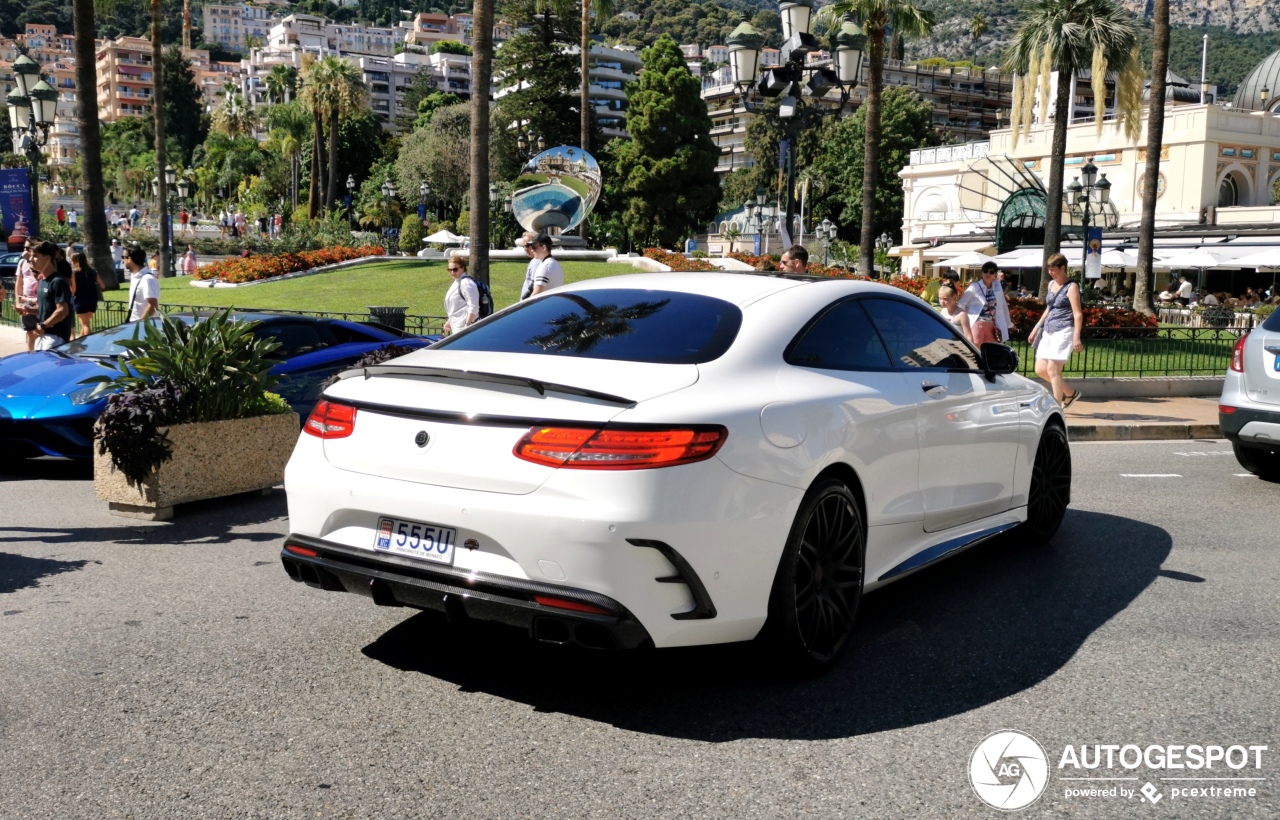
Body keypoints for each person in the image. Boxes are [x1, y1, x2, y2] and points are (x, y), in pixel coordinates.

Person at [1028, 253, 1084, 407]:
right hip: (1048, 330)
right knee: (1040, 369)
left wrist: (1076, 337)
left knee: (1053, 369)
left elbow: (1077, 314)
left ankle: (1056, 407)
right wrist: (1036, 327)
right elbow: (1049, 308)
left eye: (1054, 269)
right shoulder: (1051, 284)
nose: (1051, 272)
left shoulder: (1071, 287)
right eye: (1049, 269)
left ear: (1063, 268)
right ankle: (1070, 393)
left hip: (1064, 329)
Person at [30, 241, 74, 350]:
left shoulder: (58, 281)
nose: (31, 260)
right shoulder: (42, 281)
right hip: (42, 335)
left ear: (47, 258)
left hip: (55, 337)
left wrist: (44, 325)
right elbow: (47, 309)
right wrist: (29, 310)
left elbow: (62, 311)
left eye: (35, 256)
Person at [958, 261, 1012, 346]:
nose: (988, 274)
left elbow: (1003, 306)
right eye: (985, 271)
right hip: (977, 323)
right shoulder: (974, 287)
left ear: (995, 274)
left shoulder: (997, 287)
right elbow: (961, 304)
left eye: (991, 272)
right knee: (976, 350)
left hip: (992, 325)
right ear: (982, 273)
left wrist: (1009, 324)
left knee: (991, 351)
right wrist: (964, 319)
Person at [69, 251, 103, 339]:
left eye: (72, 261)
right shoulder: (92, 271)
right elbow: (103, 285)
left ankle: (90, 343)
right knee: (85, 323)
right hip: (92, 300)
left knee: (85, 325)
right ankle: (81, 343)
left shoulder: (74, 273)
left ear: (76, 261)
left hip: (80, 300)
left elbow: (74, 290)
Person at [442, 256, 480, 335]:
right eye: (450, 270)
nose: (452, 272)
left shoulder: (466, 283)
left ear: (462, 268)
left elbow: (474, 307)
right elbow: (458, 308)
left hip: (464, 329)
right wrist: (449, 321)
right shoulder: (457, 282)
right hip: (457, 326)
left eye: (455, 269)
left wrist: (467, 325)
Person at [14, 238, 40, 351]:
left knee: (41, 330)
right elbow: (19, 283)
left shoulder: (41, 262)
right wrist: (18, 301)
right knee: (30, 331)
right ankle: (31, 353)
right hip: (26, 300)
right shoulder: (22, 262)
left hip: (39, 300)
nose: (24, 250)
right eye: (24, 247)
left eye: (27, 248)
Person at [521, 233, 564, 299]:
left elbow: (536, 294)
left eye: (534, 247)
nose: (532, 250)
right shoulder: (556, 264)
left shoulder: (544, 267)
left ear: (544, 248)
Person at [124, 246, 159, 322]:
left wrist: (140, 323)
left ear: (129, 259)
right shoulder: (135, 276)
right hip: (133, 324)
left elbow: (152, 306)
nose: (123, 260)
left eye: (123, 257)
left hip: (143, 327)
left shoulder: (147, 279)